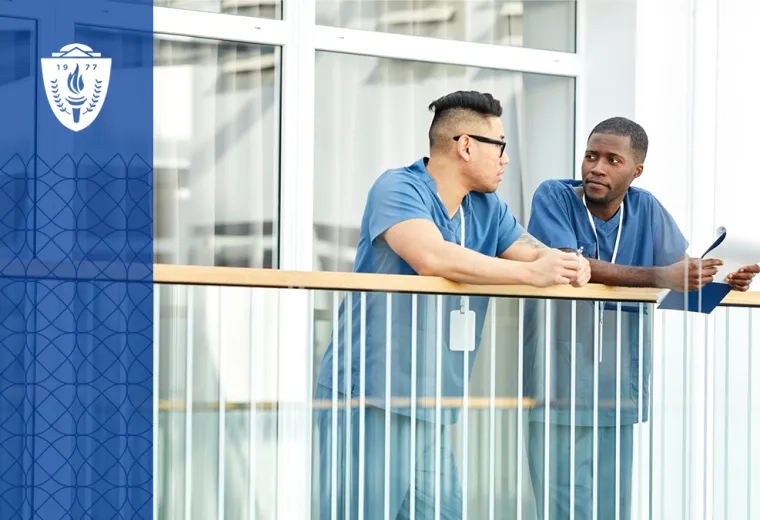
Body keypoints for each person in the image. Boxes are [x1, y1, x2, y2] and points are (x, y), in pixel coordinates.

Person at [313, 90, 591, 520]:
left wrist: (572, 264)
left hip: (432, 403)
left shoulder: (487, 208)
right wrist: (533, 273)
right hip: (370, 394)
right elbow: (432, 257)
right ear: (465, 145)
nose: (506, 159)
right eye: (499, 146)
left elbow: (535, 253)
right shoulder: (398, 187)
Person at [522, 116, 759, 520]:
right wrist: (660, 276)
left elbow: (683, 273)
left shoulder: (645, 207)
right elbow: (566, 263)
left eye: (613, 159)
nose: (597, 167)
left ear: (636, 170)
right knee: (562, 506)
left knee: (614, 506)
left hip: (619, 388)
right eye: (591, 155)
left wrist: (723, 279)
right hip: (560, 384)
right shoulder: (554, 197)